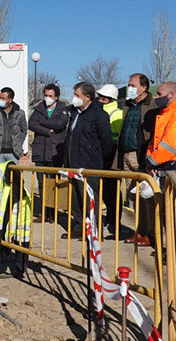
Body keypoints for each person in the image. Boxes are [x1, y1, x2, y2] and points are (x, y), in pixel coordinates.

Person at [63, 82, 114, 239]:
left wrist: (100, 162)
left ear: (87, 97)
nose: (74, 98)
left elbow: (107, 142)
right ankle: (79, 226)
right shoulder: (75, 112)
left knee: (90, 198)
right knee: (76, 197)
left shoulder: (99, 115)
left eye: (77, 95)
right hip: (73, 162)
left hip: (90, 163)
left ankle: (93, 228)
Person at [116, 73, 160, 246]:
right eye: (129, 85)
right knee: (134, 198)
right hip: (126, 155)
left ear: (144, 87)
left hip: (140, 156)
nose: (130, 88)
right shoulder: (128, 105)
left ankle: (150, 234)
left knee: (146, 198)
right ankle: (139, 231)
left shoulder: (152, 105)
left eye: (133, 85)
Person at [28, 83, 69, 221]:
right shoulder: (39, 109)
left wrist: (43, 122)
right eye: (46, 95)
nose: (48, 98)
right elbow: (31, 123)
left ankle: (54, 213)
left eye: (50, 96)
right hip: (40, 151)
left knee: (54, 183)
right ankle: (45, 213)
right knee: (42, 183)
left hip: (55, 152)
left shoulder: (63, 109)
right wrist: (47, 130)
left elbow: (60, 125)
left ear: (56, 97)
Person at [96, 83, 124, 233]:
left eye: (102, 97)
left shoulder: (116, 114)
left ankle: (114, 222)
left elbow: (116, 137)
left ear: (110, 99)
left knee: (111, 193)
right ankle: (108, 220)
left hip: (110, 157)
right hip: (99, 156)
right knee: (103, 192)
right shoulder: (97, 112)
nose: (99, 99)